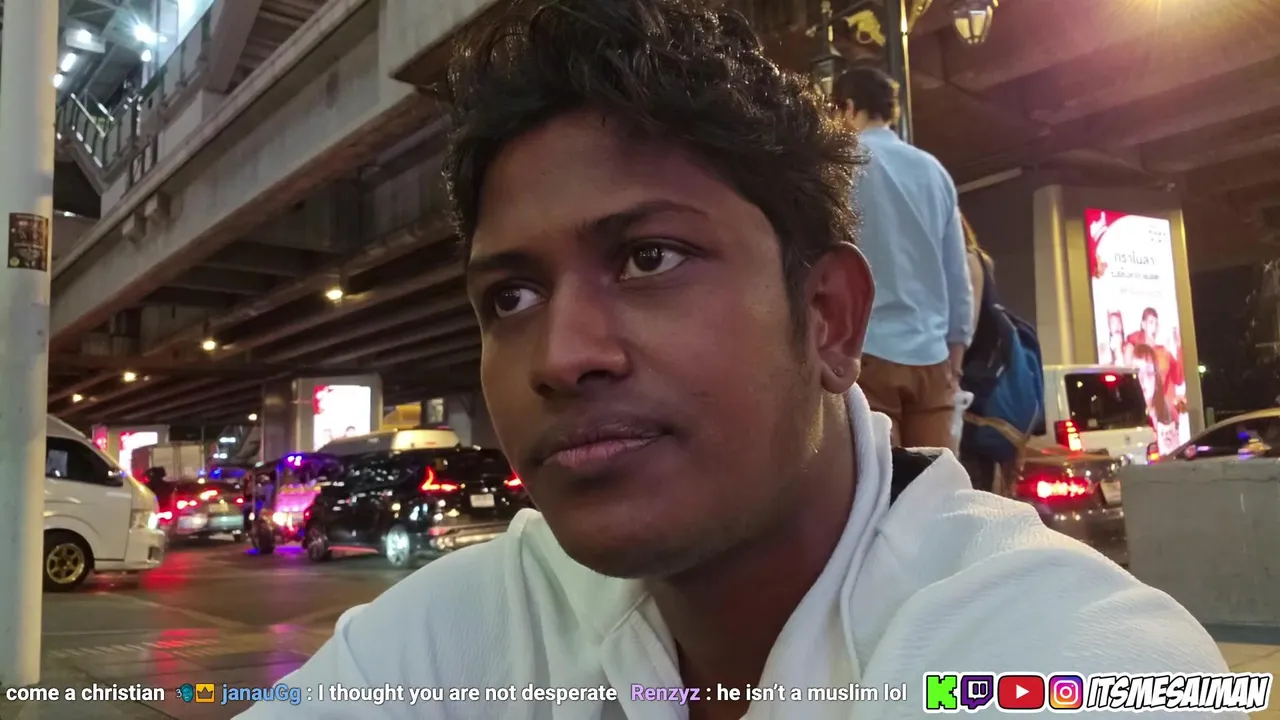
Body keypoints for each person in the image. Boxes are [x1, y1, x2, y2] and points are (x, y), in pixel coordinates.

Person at [240, 1, 1232, 717]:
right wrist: (946, 366)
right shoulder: (453, 633)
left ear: (825, 314)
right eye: (511, 297)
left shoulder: (1069, 656)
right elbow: (958, 285)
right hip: (919, 365)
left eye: (650, 257)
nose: (561, 357)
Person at [831, 66, 973, 453]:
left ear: (848, 108)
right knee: (935, 483)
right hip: (933, 360)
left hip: (867, 355)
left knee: (878, 482)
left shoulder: (843, 164)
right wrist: (954, 357)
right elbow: (957, 275)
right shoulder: (934, 171)